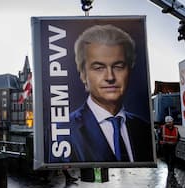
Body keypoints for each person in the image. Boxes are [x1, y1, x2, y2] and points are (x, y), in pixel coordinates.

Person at [59, 24, 153, 162]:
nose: (110, 77)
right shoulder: (63, 131)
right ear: (83, 75)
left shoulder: (144, 128)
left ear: (129, 71)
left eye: (118, 66)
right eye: (98, 68)